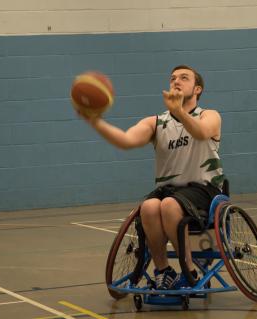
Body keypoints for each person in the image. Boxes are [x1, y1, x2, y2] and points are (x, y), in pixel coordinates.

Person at [78, 65, 224, 290]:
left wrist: (181, 113)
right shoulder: (157, 122)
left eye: (184, 78)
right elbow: (126, 140)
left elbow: (202, 132)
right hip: (171, 191)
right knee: (148, 207)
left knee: (168, 205)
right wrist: (95, 121)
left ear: (197, 89)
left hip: (204, 190)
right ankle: (164, 270)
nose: (176, 81)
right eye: (172, 78)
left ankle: (190, 270)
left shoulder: (209, 115)